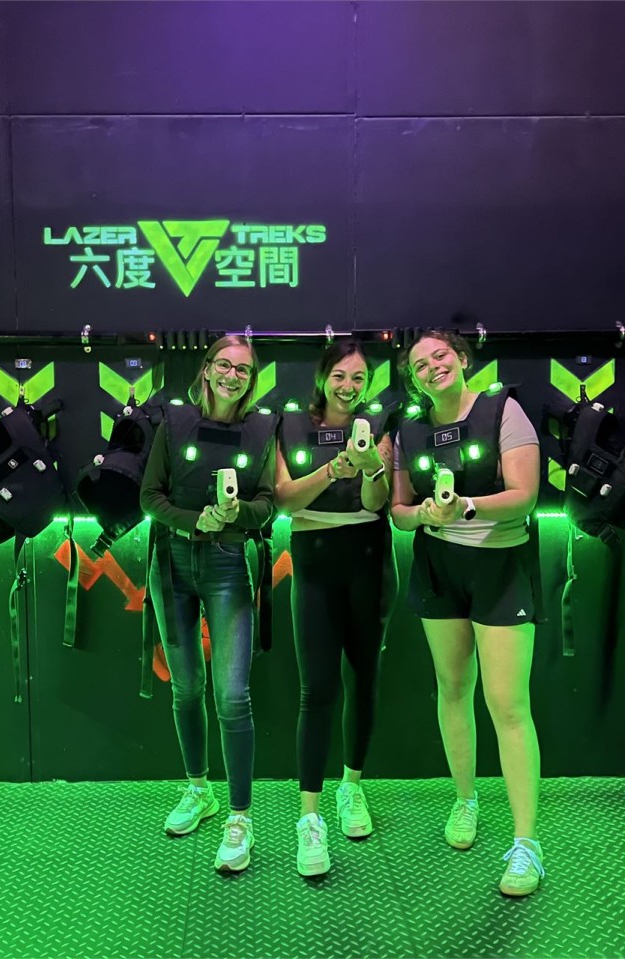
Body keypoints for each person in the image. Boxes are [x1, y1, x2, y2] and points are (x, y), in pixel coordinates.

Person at [388, 329, 546, 897]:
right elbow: (398, 512)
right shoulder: (407, 430)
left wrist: (468, 507)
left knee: (508, 705)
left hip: (500, 568)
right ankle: (465, 799)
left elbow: (525, 495)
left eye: (441, 356)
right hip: (437, 566)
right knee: (453, 688)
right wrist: (424, 516)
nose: (433, 367)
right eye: (419, 365)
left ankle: (526, 844)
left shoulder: (503, 410)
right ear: (412, 380)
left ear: (460, 359)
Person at [139, 335, 277, 873]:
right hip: (171, 564)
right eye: (224, 365)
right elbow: (150, 497)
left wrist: (237, 515)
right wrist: (194, 520)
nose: (232, 375)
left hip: (228, 565)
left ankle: (240, 817)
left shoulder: (263, 429)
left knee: (232, 696)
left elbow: (267, 504)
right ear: (206, 369)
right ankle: (199, 789)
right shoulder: (173, 422)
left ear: (252, 379)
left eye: (243, 369)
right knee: (186, 687)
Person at [275, 341, 395, 877]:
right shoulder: (288, 424)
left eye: (359, 378)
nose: (349, 386)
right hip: (314, 556)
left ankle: (352, 785)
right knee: (316, 689)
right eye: (341, 376)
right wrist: (333, 469)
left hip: (369, 556)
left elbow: (376, 502)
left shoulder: (381, 424)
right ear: (323, 377)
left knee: (363, 678)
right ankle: (309, 816)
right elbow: (284, 500)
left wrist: (369, 470)